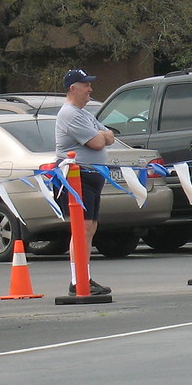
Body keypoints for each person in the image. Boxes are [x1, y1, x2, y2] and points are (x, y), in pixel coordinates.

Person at [54, 68, 117, 295]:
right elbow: (98, 142)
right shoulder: (70, 114)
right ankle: (77, 280)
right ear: (73, 88)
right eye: (86, 85)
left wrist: (102, 136)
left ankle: (84, 276)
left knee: (90, 228)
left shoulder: (84, 114)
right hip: (77, 176)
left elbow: (110, 136)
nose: (90, 89)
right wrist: (101, 136)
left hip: (91, 176)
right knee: (82, 227)